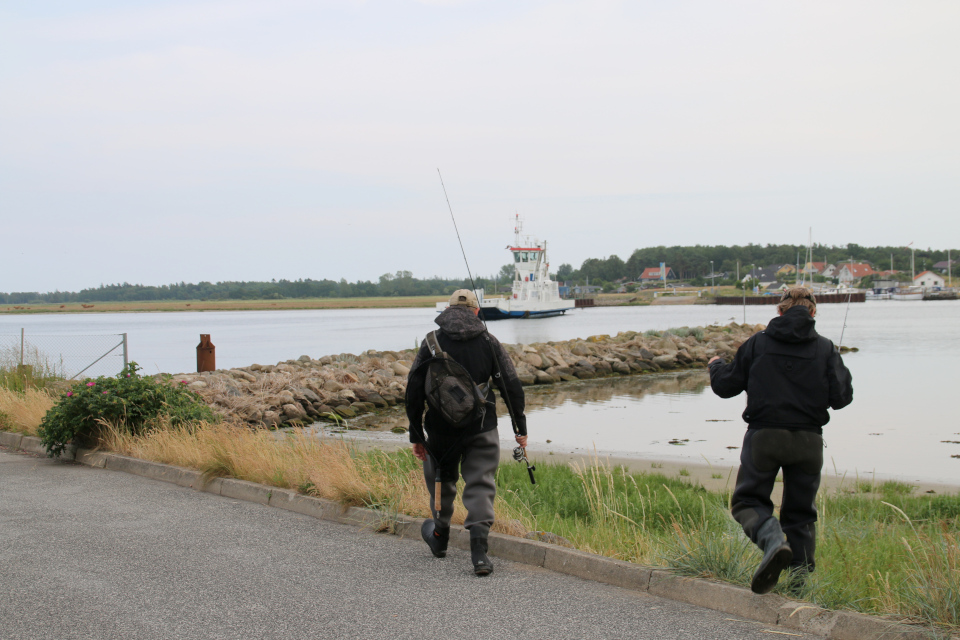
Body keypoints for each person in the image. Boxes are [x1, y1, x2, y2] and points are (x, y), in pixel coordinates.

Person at [707, 287, 853, 594]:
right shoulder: (826, 348)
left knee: (747, 503)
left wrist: (715, 365)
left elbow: (724, 387)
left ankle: (773, 540)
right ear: (813, 313)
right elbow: (842, 399)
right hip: (809, 441)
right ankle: (799, 587)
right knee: (801, 515)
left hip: (765, 437)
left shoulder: (758, 344)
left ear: (779, 311)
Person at [405, 289, 528, 576]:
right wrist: (520, 429)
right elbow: (511, 387)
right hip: (482, 427)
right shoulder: (489, 341)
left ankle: (440, 537)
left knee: (440, 481)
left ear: (448, 311)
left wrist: (416, 436)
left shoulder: (431, 342)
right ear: (476, 311)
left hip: (439, 430)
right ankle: (479, 554)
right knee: (481, 484)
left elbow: (413, 390)